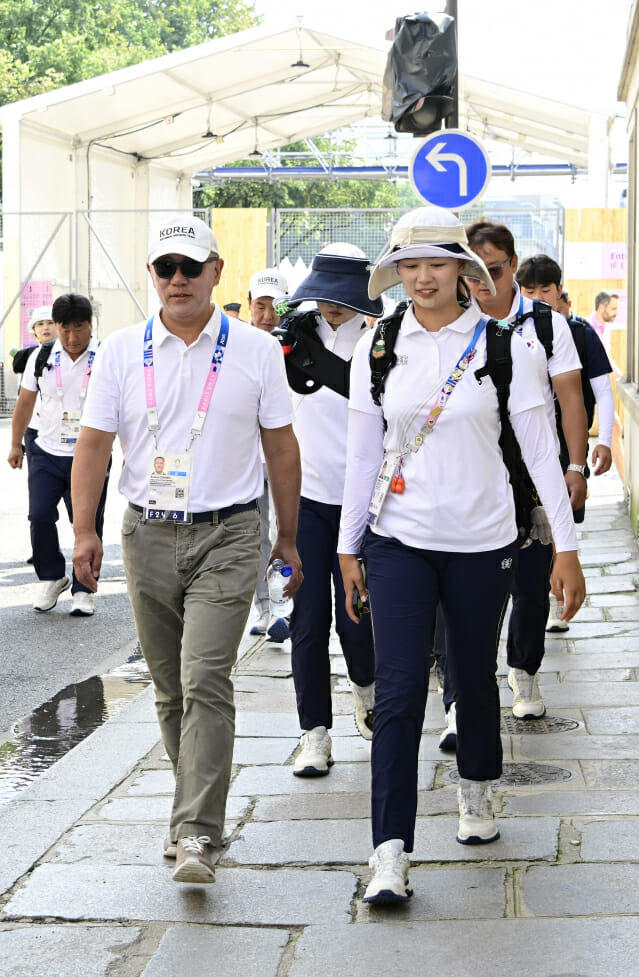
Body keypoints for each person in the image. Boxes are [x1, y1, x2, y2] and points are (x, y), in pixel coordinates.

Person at [337, 206, 585, 904]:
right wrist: (346, 543)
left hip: (484, 541)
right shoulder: (379, 347)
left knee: (473, 678)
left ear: (462, 271)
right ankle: (388, 851)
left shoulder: (507, 347)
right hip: (397, 541)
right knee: (397, 691)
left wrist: (564, 546)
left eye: (435, 263)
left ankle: (476, 790)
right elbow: (362, 454)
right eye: (409, 265)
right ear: (396, 273)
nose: (421, 277)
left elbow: (539, 450)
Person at [70, 214, 302, 885]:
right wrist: (84, 530)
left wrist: (287, 534)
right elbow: (92, 444)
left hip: (228, 532)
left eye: (190, 267)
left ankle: (195, 829)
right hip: (146, 531)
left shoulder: (256, 350)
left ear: (215, 273)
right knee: (170, 689)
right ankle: (193, 802)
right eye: (165, 267)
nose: (177, 280)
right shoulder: (119, 350)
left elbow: (281, 447)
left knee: (205, 677)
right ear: (152, 274)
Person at [458, 220, 588, 726]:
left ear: (513, 265)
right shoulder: (451, 322)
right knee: (468, 584)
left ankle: (524, 670)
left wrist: (574, 465)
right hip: (472, 472)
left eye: (492, 271)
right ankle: (462, 692)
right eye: (472, 274)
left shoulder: (547, 324)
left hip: (534, 473)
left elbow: (571, 397)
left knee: (531, 583)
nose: (482, 284)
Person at [280, 244, 381, 773]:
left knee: (357, 618)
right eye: (322, 297)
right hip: (308, 500)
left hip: (367, 505)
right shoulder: (293, 339)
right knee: (308, 617)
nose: (332, 308)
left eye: (341, 298)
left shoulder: (381, 338)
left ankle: (365, 689)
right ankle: (313, 732)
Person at [515, 259, 615, 632]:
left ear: (559, 290)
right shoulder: (508, 331)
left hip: (566, 449)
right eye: (530, 290)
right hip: (525, 447)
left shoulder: (579, 332)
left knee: (560, 524)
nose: (539, 297)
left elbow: (602, 391)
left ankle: (558, 596)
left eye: (546, 289)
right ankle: (533, 592)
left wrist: (601, 441)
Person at [8, 294, 107, 617]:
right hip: (46, 450)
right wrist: (14, 444)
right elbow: (24, 403)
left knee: (87, 523)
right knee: (39, 515)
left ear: (90, 326)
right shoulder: (42, 356)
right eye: (65, 328)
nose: (71, 337)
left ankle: (84, 588)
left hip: (90, 455)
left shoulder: (105, 357)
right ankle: (52, 576)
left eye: (78, 328)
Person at [245, 267, 293, 643]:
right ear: (249, 306)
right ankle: (267, 608)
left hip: (290, 461)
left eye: (276, 307)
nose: (268, 315)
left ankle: (288, 605)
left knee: (288, 533)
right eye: (261, 306)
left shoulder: (300, 346)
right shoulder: (236, 347)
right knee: (259, 535)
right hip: (250, 461)